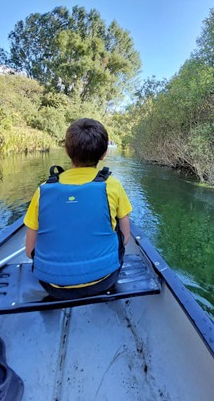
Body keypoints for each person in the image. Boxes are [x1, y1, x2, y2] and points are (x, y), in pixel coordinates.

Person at [24, 118, 132, 299]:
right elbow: (126, 238)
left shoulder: (43, 190)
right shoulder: (112, 185)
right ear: (104, 153)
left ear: (67, 151)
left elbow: (29, 251)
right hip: (104, 278)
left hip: (52, 284)